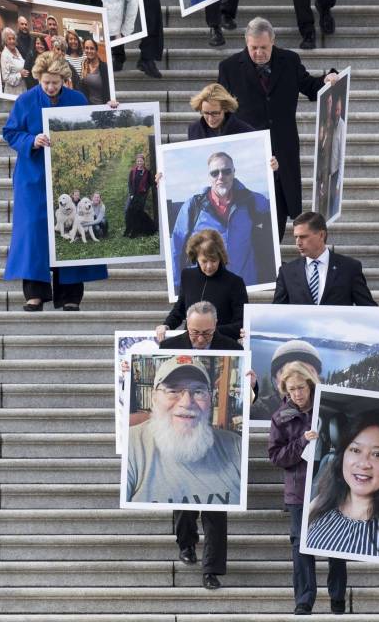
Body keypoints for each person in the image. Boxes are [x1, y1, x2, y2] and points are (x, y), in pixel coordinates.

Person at [1, 51, 107, 311]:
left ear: (65, 80)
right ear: (38, 78)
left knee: (72, 225)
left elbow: (92, 128)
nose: (50, 87)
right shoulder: (25, 101)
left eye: (55, 82)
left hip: (69, 172)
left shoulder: (78, 99)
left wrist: (111, 110)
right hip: (33, 176)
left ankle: (70, 295)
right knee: (34, 233)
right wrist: (31, 140)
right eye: (46, 82)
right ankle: (34, 294)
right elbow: (10, 132)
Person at [217, 17, 338, 233]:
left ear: (273, 41)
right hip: (249, 156)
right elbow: (220, 111)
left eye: (264, 47)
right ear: (246, 42)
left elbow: (311, 87)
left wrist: (327, 79)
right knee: (251, 213)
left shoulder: (289, 61)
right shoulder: (229, 68)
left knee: (280, 214)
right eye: (253, 48)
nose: (259, 53)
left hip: (283, 152)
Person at [154, 300, 244, 591]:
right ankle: (186, 543)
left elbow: (245, 395)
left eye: (206, 333)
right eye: (195, 333)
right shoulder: (170, 347)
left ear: (216, 326)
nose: (201, 339)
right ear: (187, 326)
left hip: (217, 434)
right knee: (183, 496)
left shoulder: (232, 347)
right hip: (179, 431)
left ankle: (212, 569)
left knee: (217, 506)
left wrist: (251, 385)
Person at [267, 357, 347, 615]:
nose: (297, 393)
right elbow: (276, 457)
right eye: (292, 389)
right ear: (285, 390)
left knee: (336, 541)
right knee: (301, 545)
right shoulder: (280, 417)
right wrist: (301, 441)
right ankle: (304, 601)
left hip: (330, 486)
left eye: (301, 387)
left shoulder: (328, 410)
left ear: (310, 385)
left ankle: (337, 598)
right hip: (298, 490)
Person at [126, 354, 243, 506]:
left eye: (198, 391)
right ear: (154, 398)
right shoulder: (130, 445)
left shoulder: (236, 446)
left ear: (210, 399)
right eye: (173, 390)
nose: (187, 403)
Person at [305, 410, 379, 561]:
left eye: (377, 454)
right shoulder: (319, 503)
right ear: (343, 455)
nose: (363, 464)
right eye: (355, 450)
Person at [169, 149, 274, 293]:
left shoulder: (255, 201)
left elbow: (275, 229)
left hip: (245, 286)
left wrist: (278, 174)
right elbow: (176, 247)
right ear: (209, 177)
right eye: (215, 173)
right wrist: (176, 286)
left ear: (234, 172)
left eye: (226, 171)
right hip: (205, 287)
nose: (221, 177)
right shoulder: (192, 207)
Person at [157, 231, 248, 343]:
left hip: (222, 345)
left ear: (221, 257)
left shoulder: (235, 282)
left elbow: (241, 323)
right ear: (196, 257)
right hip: (190, 345)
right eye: (204, 261)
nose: (209, 266)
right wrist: (166, 325)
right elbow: (179, 309)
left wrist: (209, 333)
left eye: (214, 260)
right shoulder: (187, 276)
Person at [273, 212, 376, 307]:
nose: (298, 242)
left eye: (303, 237)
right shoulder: (286, 272)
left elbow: (368, 308)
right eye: (296, 237)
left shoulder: (349, 268)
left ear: (321, 235)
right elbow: (277, 312)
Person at [188, 83, 256, 140]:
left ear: (225, 108)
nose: (210, 119)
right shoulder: (194, 129)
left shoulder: (246, 131)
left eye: (215, 113)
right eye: (206, 113)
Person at [124, 153, 156, 237]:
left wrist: (145, 192)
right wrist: (131, 194)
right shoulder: (133, 171)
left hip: (141, 196)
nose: (139, 162)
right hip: (133, 195)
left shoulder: (147, 172)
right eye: (138, 161)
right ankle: (128, 229)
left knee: (138, 214)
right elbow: (129, 183)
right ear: (136, 162)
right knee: (127, 210)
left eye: (141, 161)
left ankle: (136, 231)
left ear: (143, 162)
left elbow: (150, 183)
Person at [78, 39, 109, 105]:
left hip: (102, 106)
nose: (89, 51)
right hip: (88, 106)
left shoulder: (104, 67)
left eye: (92, 48)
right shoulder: (84, 64)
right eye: (86, 48)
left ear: (96, 50)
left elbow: (108, 89)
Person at [0, 27, 27, 94]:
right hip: (14, 91)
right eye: (9, 39)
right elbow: (6, 78)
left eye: (13, 38)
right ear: (5, 41)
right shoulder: (4, 55)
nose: (12, 41)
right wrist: (20, 74)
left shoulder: (16, 49)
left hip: (23, 87)